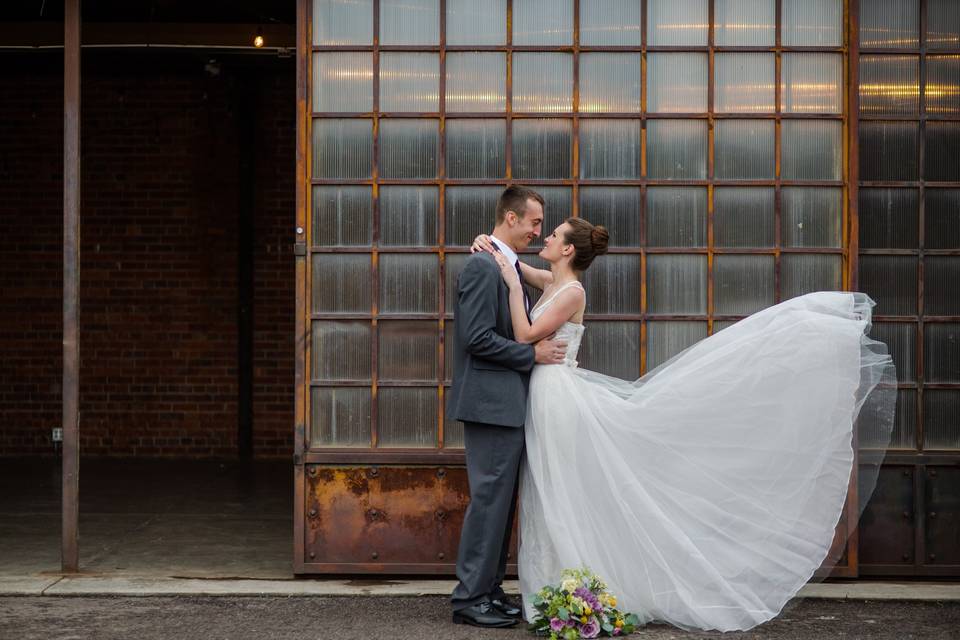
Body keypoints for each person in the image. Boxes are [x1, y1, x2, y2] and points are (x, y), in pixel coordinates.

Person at [471, 218, 896, 632]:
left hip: (556, 396)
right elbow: (513, 262)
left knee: (558, 486)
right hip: (545, 394)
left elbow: (525, 333)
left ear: (567, 249)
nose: (543, 236)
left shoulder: (570, 291)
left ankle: (573, 584)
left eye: (553, 234)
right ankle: (554, 587)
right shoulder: (552, 282)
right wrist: (492, 247)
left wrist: (510, 285)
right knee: (547, 488)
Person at [448, 186, 569, 628]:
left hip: (504, 404)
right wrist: (530, 356)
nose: (538, 232)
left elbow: (548, 279)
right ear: (511, 218)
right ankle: (469, 598)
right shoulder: (483, 266)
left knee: (501, 503)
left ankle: (489, 590)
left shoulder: (502, 262)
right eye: (534, 223)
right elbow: (476, 338)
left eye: (544, 226)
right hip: (489, 403)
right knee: (488, 502)